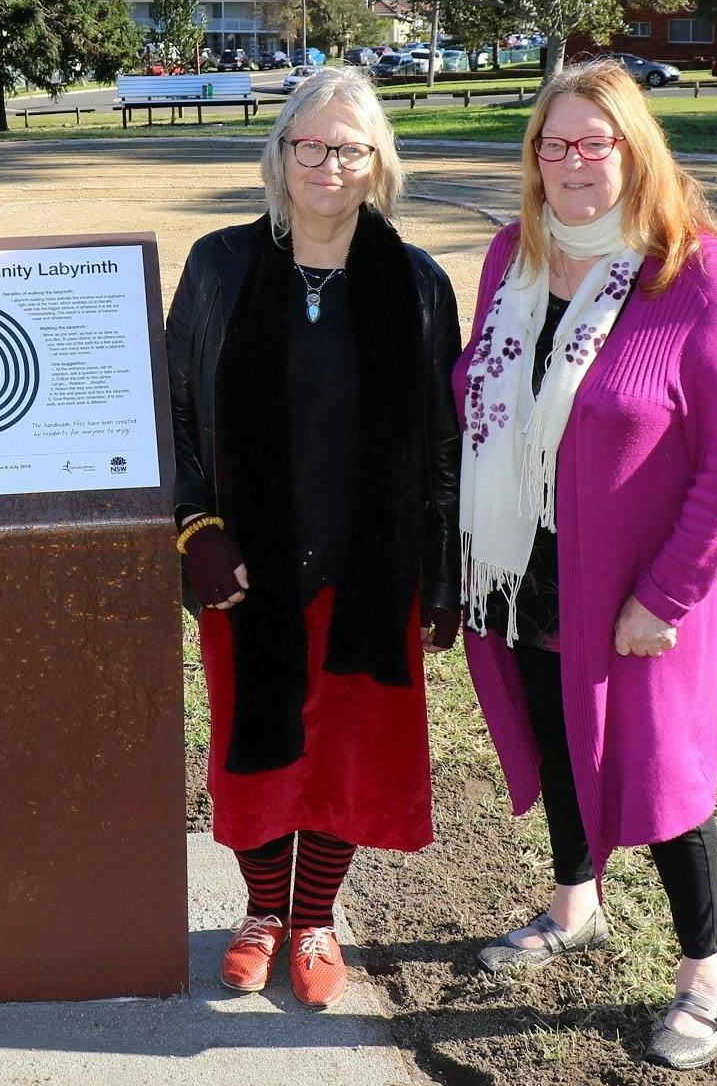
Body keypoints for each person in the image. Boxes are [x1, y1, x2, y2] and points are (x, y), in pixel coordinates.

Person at [452, 58, 717, 1071]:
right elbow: (480, 393)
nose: (573, 162)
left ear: (636, 151)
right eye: (554, 144)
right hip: (526, 568)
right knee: (556, 743)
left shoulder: (694, 271)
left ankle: (705, 975)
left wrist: (666, 593)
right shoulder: (514, 253)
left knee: (666, 777)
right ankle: (573, 900)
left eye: (596, 142)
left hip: (638, 590)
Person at [165, 68, 462, 1011]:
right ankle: (260, 911)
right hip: (249, 570)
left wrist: (442, 568)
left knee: (346, 757)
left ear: (379, 165)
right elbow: (172, 411)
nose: (328, 165)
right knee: (258, 749)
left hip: (371, 570)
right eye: (310, 145)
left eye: (350, 148)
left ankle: (315, 917)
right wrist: (195, 526)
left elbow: (444, 439)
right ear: (281, 153)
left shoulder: (416, 285)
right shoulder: (219, 266)